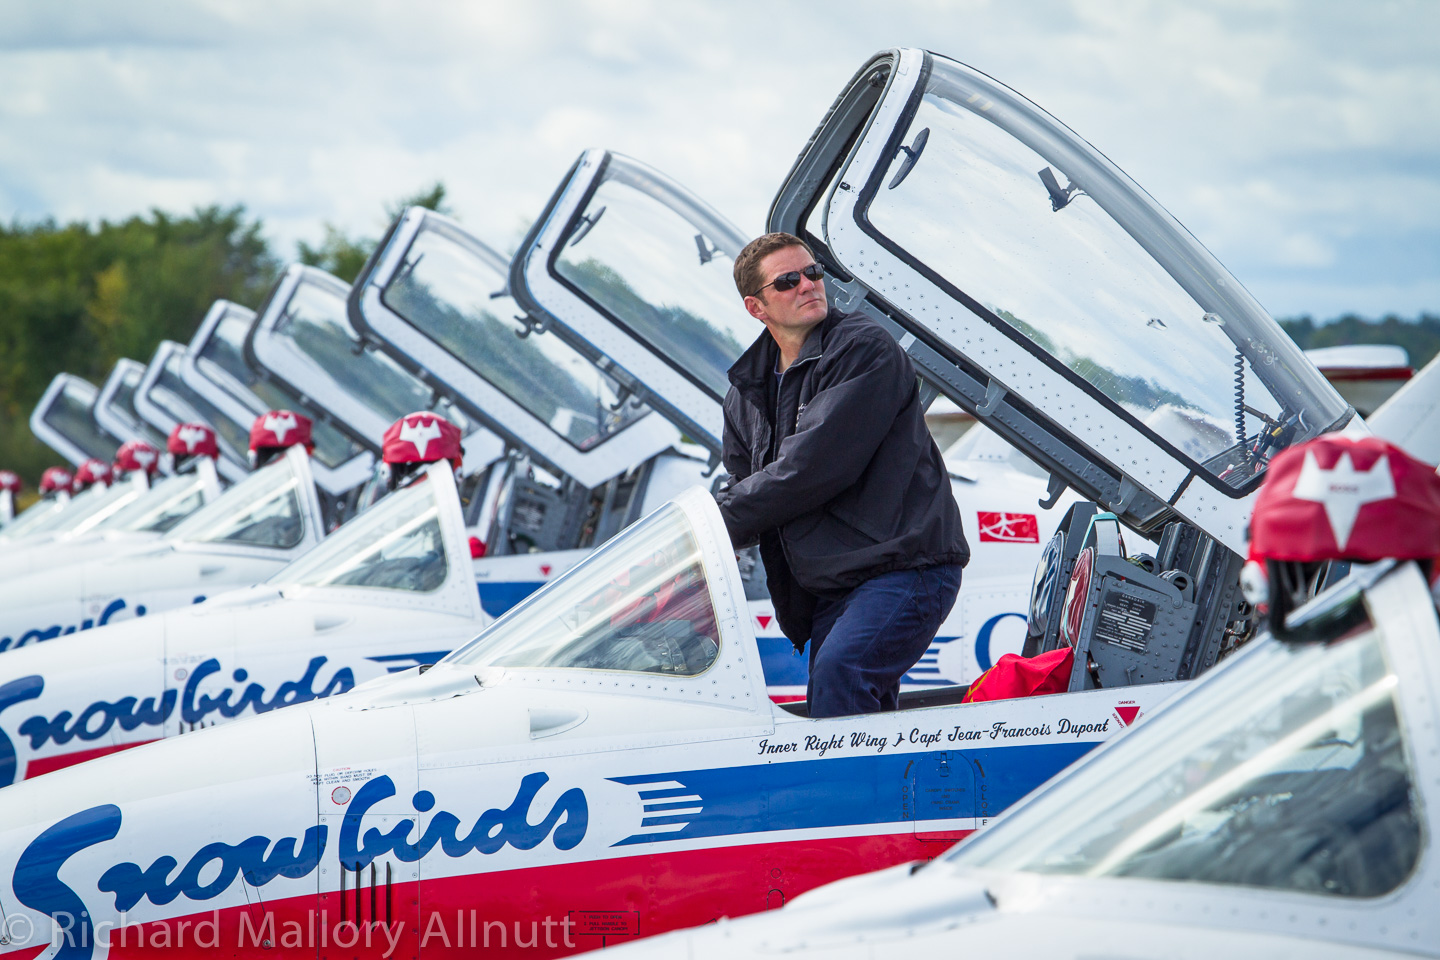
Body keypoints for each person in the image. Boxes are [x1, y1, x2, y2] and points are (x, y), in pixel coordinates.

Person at [715, 232, 968, 718]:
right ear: (756, 306)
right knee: (844, 708)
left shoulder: (862, 348)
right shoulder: (743, 397)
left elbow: (808, 470)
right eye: (788, 281)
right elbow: (746, 493)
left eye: (813, 273)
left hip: (905, 566)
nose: (808, 285)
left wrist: (708, 526)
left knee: (842, 674)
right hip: (833, 585)